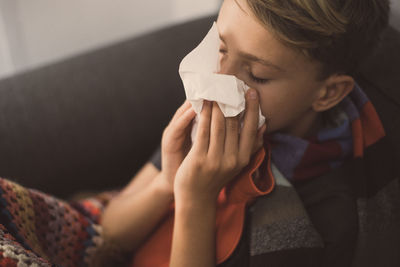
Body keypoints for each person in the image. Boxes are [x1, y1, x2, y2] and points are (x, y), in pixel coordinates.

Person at [97, 0, 393, 267]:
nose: (221, 79)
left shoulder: (324, 218)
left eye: (257, 75)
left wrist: (196, 200)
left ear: (328, 93)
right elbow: (108, 231)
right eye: (221, 49)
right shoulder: (211, 117)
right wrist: (166, 183)